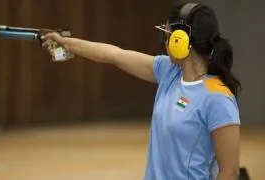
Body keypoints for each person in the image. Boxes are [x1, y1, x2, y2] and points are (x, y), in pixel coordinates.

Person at [41, 2, 241, 180]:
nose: (164, 41)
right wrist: (67, 43)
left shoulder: (217, 98)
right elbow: (115, 55)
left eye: (167, 35)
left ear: (179, 41)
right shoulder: (169, 72)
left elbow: (229, 173)